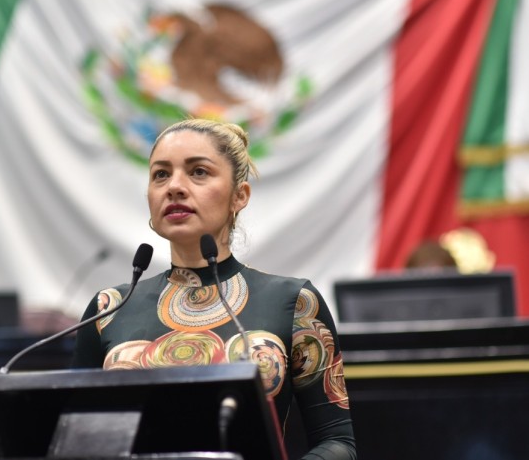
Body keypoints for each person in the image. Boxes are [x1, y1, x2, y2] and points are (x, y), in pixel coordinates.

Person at [72, 118, 357, 459]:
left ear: (239, 196)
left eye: (199, 172)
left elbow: (337, 443)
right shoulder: (109, 309)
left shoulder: (295, 303)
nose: (174, 187)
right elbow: (74, 435)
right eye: (161, 174)